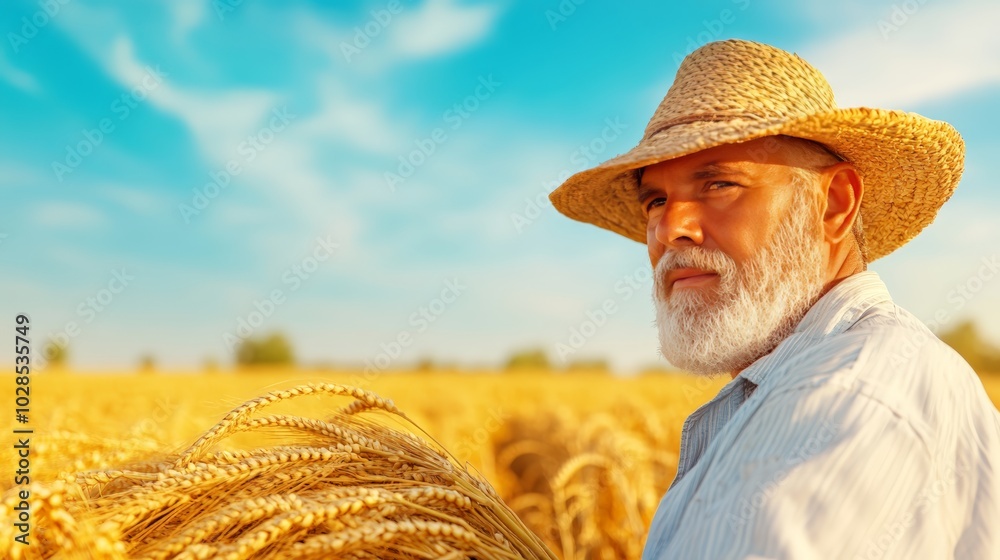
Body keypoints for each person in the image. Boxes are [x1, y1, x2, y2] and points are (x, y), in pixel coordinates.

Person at [549, 39, 1000, 559]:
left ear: (833, 204)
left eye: (719, 183)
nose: (671, 228)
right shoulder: (802, 382)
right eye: (656, 200)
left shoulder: (849, 395)